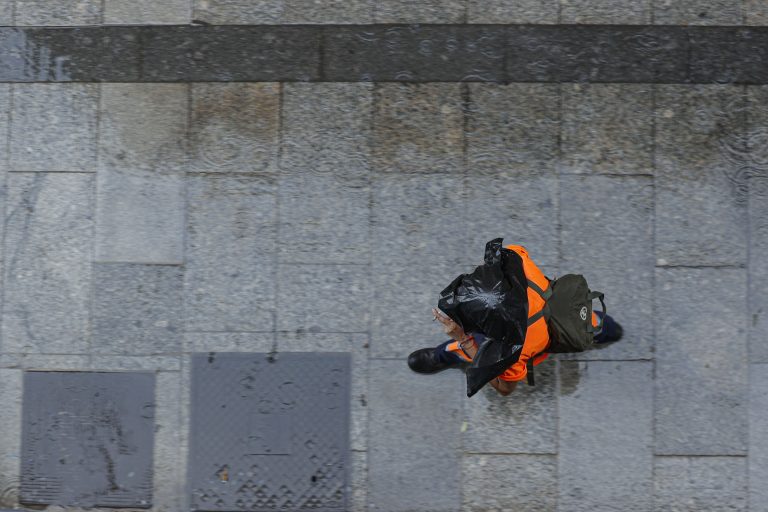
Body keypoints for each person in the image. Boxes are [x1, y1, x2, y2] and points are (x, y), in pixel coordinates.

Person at [407, 244, 623, 396]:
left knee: (478, 346)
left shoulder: (513, 351)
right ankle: (602, 328)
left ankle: (447, 354)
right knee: (588, 324)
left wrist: (463, 338)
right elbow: (512, 254)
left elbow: (505, 389)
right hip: (564, 308)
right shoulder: (519, 260)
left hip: (534, 338)